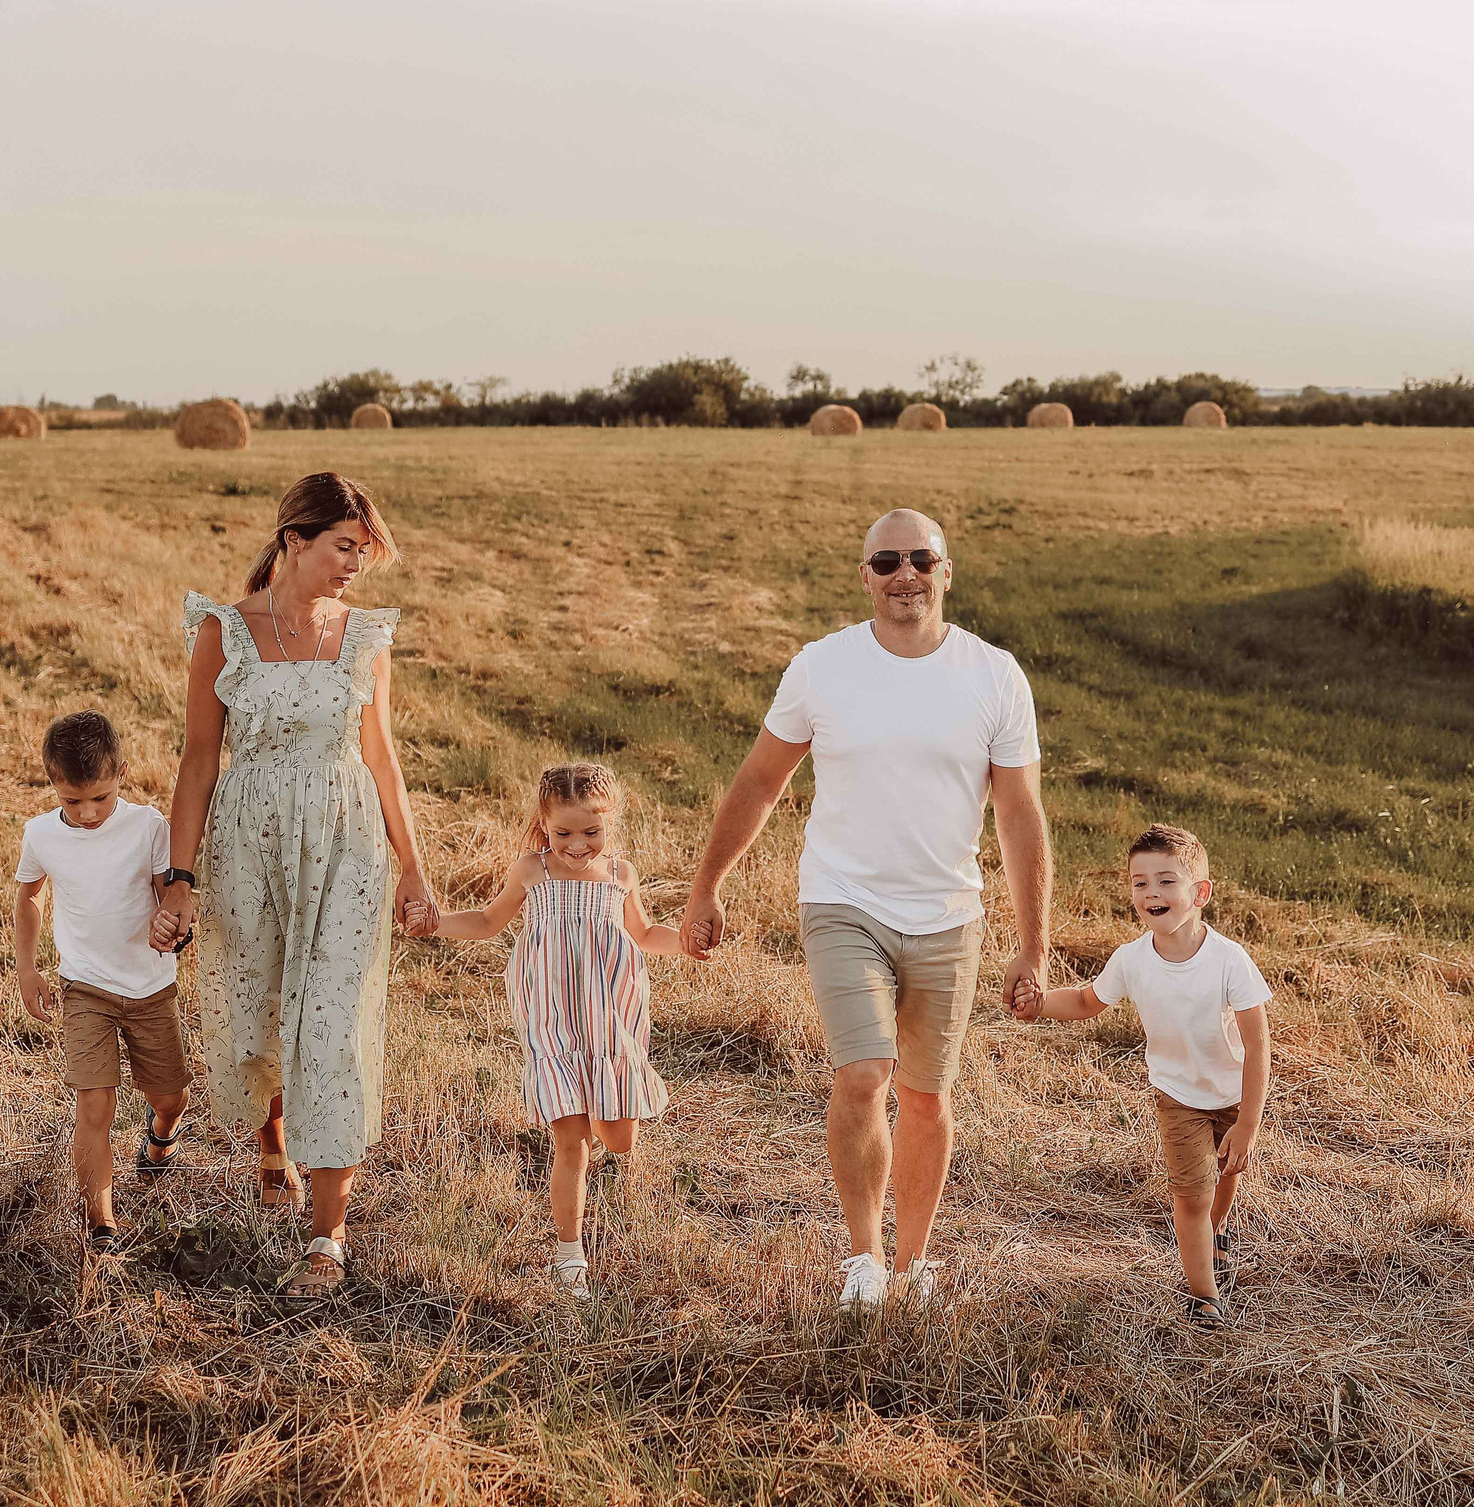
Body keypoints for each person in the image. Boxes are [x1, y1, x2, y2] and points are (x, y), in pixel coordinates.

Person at [682, 508, 1051, 1312]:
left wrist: (1035, 944)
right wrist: (707, 884)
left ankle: (915, 1262)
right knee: (863, 1073)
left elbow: (1020, 813)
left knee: (925, 1094)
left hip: (949, 912)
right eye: (886, 561)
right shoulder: (822, 667)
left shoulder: (993, 674)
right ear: (865, 576)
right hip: (842, 899)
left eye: (921, 558)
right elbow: (758, 781)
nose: (904, 574)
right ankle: (864, 1258)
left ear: (948, 569)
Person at [155, 472, 436, 1297]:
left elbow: (383, 759)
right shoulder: (224, 632)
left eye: (364, 549)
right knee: (258, 1015)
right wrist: (179, 877)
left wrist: (413, 869)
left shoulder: (365, 638)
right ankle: (273, 1135)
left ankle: (327, 1235)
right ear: (294, 542)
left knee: (332, 1021)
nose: (356, 563)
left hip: (347, 842)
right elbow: (198, 760)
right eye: (343, 546)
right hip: (248, 838)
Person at [427, 763, 697, 1300]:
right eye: (564, 833)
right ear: (544, 827)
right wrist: (436, 921)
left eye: (591, 832)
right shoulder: (533, 871)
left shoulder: (620, 875)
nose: (578, 844)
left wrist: (687, 940)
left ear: (609, 825)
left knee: (618, 1140)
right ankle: (569, 1254)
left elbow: (643, 934)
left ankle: (604, 1102)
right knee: (570, 1140)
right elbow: (486, 921)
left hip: (610, 1020)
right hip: (551, 1023)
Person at [1015, 825, 1272, 1327]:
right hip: (1177, 1095)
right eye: (1139, 883)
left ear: (1200, 893)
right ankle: (1205, 1296)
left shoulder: (1229, 962)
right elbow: (1089, 1001)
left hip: (1234, 1091)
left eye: (1165, 881)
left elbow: (1260, 1047)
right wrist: (1042, 1003)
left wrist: (1248, 1125)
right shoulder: (1132, 959)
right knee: (1191, 1194)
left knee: (1227, 1171)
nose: (1151, 892)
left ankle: (1216, 1233)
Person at [11, 710, 192, 1258]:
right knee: (94, 1109)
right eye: (72, 802)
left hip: (149, 988)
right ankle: (100, 1225)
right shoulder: (41, 834)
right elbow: (28, 897)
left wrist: (174, 924)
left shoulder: (149, 827)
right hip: (83, 988)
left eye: (100, 799)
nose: (87, 814)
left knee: (170, 1095)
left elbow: (170, 897)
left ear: (123, 775)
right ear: (51, 784)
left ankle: (161, 1135)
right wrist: (26, 968)